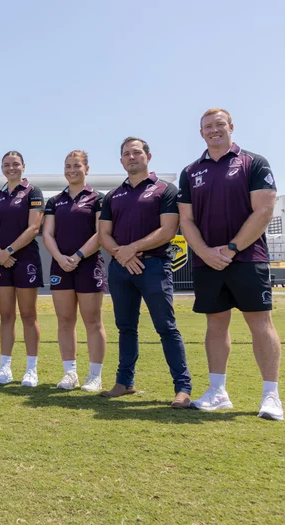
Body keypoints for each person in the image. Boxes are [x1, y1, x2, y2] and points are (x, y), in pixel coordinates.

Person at [178, 108, 283, 420]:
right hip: (207, 262)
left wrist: (233, 248)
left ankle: (271, 396)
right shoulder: (190, 171)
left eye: (219, 124)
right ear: (201, 133)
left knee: (259, 323)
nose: (214, 130)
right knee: (215, 323)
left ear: (231, 127)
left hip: (248, 258)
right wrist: (206, 252)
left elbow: (264, 210)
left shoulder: (253, 162)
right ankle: (217, 392)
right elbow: (186, 220)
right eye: (207, 126)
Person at [98, 137, 192, 408]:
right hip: (120, 268)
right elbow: (103, 234)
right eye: (126, 154)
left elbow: (168, 230)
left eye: (136, 152)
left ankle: (182, 389)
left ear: (148, 156)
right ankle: (125, 382)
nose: (131, 157)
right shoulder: (113, 196)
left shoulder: (165, 190)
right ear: (121, 161)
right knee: (126, 328)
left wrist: (132, 250)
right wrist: (121, 255)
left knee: (166, 327)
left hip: (153, 266)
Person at [42, 150, 107, 392]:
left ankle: (95, 375)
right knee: (65, 320)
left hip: (88, 264)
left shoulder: (98, 198)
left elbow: (101, 234)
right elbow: (47, 234)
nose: (72, 170)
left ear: (86, 168)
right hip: (61, 265)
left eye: (77, 165)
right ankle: (70, 373)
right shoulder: (54, 201)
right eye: (68, 166)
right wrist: (60, 258)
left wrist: (78, 256)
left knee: (93, 321)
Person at [0, 151, 44, 387]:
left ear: (23, 166)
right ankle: (5, 368)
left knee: (29, 316)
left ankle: (31, 370)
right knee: (6, 316)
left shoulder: (33, 192)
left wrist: (7, 251)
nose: (11, 168)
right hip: (0, 261)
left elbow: (33, 228)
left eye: (15, 164)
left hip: (25, 259)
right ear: (2, 168)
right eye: (7, 165)